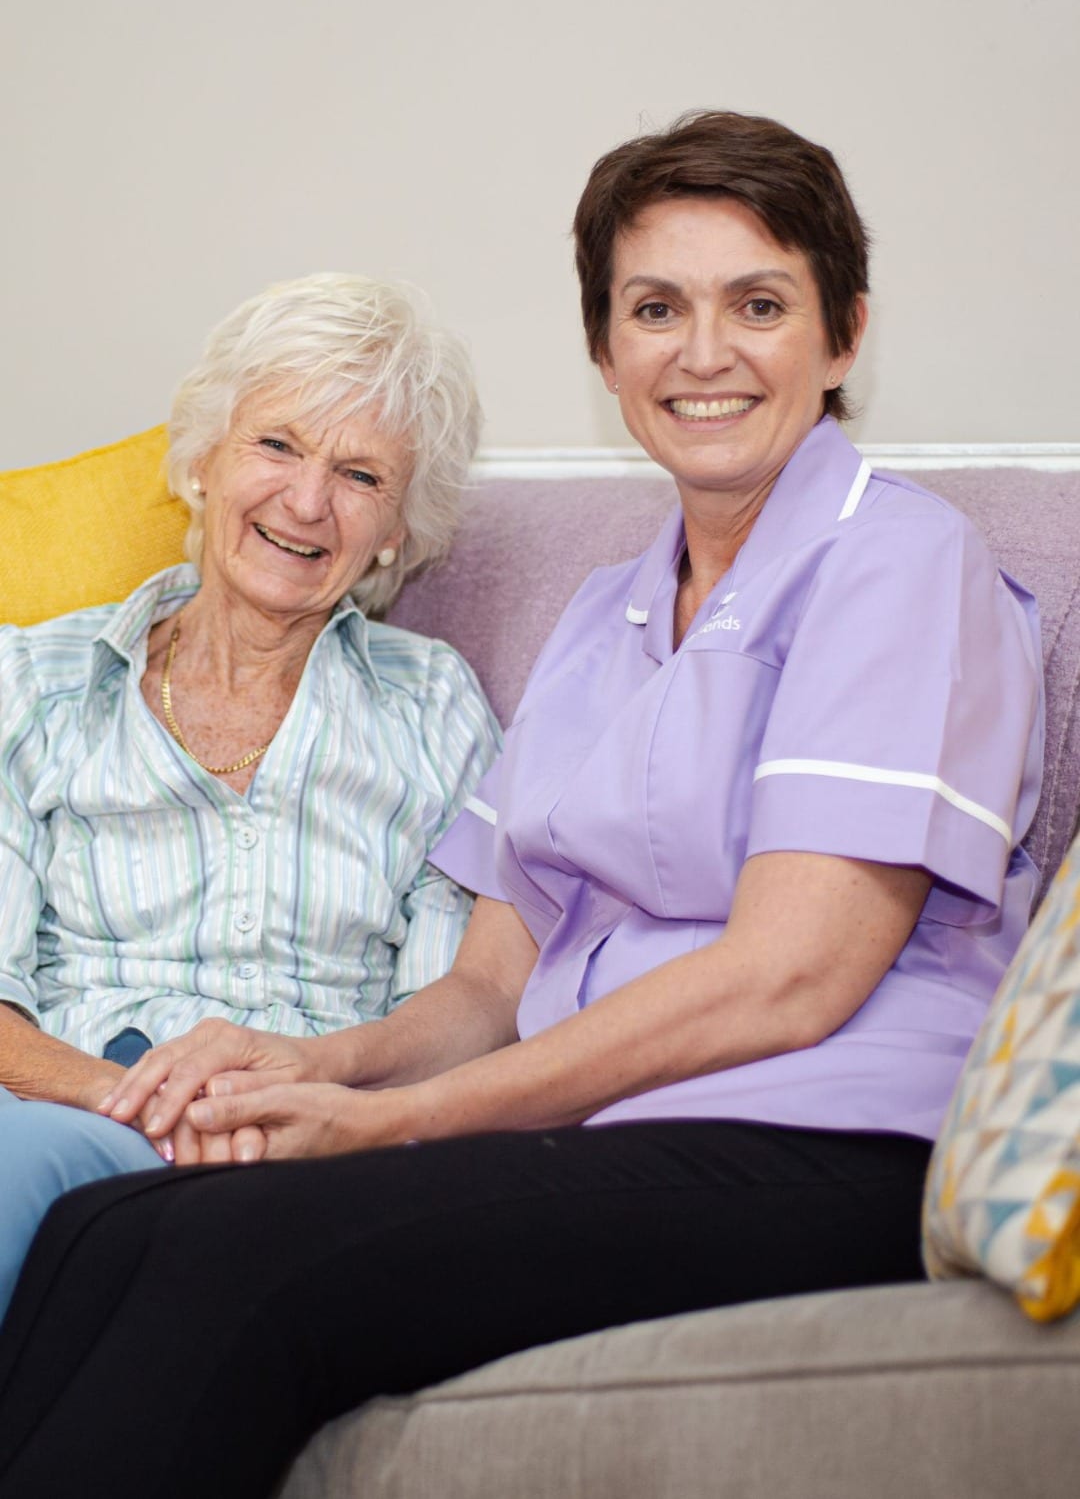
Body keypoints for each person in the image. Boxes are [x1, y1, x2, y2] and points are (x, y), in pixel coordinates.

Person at [0, 112, 1044, 1499]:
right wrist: (314, 1067)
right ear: (608, 354)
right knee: (113, 1231)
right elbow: (490, 980)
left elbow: (793, 977)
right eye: (656, 308)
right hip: (624, 1136)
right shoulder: (605, 619)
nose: (705, 351)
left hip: (823, 1142)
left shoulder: (902, 562)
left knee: (240, 1266)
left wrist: (397, 1123)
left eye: (761, 304)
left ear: (843, 335)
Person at [0, 273, 499, 1319]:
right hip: (67, 1119)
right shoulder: (31, 685)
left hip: (321, 1140)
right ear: (201, 463)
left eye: (359, 474)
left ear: (396, 531)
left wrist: (308, 1091)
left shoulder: (434, 705)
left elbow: (461, 1011)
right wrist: (131, 1104)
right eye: (276, 445)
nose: (307, 502)